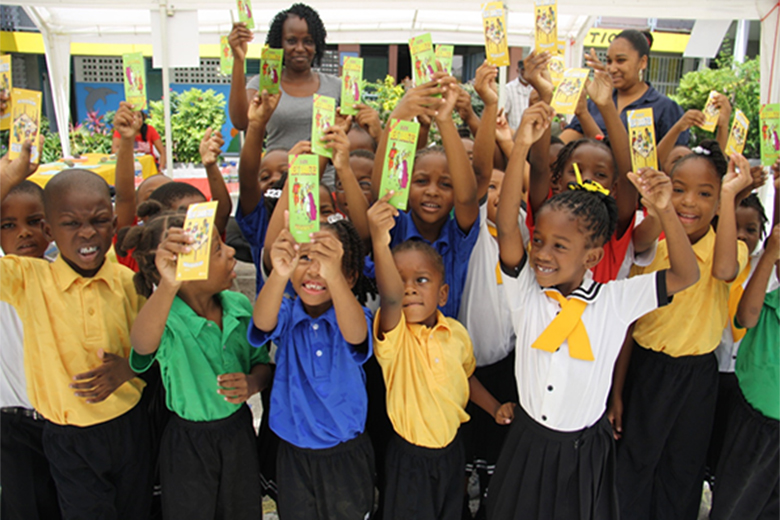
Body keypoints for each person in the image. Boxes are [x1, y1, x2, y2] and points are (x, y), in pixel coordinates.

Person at [486, 102, 699, 520]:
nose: (542, 254)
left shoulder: (615, 300)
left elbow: (684, 276)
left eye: (559, 246)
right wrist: (520, 148)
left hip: (584, 447)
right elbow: (509, 226)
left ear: (593, 256)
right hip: (528, 442)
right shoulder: (526, 292)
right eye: (541, 241)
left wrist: (664, 209)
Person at [0, 159, 152, 520]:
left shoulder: (127, 281)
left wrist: (130, 369)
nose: (87, 233)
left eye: (99, 221)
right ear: (50, 230)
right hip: (69, 438)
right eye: (71, 224)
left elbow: (155, 345)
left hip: (130, 426)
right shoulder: (29, 280)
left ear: (113, 225)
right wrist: (9, 175)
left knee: (137, 511)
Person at [614, 140, 753, 519]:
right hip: (645, 370)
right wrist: (617, 392)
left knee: (683, 466)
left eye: (705, 193)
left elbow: (725, 272)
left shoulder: (731, 247)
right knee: (635, 464)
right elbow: (629, 323)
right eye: (679, 190)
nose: (690, 201)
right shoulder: (652, 245)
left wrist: (729, 194)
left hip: (696, 376)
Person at [368, 195, 510, 520]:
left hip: (451, 452)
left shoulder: (456, 333)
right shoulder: (395, 337)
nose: (409, 289)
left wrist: (494, 407)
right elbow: (390, 298)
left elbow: (466, 377)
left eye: (421, 280)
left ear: (442, 293)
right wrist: (379, 238)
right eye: (400, 280)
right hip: (409, 458)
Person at [127, 208, 272, 520]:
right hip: (187, 444)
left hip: (238, 435)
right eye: (218, 250)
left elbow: (262, 365)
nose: (232, 251)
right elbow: (141, 347)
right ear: (189, 269)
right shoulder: (166, 320)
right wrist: (168, 284)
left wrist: (252, 383)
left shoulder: (239, 306)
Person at [249, 216, 376, 520]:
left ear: (351, 275)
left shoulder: (354, 314)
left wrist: (334, 278)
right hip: (294, 451)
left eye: (328, 259)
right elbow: (261, 323)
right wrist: (279, 274)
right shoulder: (287, 311)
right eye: (304, 257)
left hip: (345, 451)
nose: (315, 268)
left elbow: (356, 336)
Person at [370, 73, 481, 319]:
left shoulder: (458, 237)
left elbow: (467, 199)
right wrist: (397, 118)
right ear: (405, 186)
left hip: (446, 351)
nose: (432, 191)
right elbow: (381, 193)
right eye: (421, 181)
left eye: (446, 184)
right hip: (396, 351)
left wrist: (444, 121)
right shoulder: (394, 227)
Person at [0, 176, 61, 520]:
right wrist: (14, 169)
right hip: (14, 425)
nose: (24, 232)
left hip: (66, 425)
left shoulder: (66, 279)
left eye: (34, 221)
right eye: (8, 225)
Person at [709, 219, 780, 520]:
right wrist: (770, 254)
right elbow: (745, 317)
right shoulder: (768, 300)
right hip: (755, 420)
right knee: (733, 505)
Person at [228, 4, 340, 154]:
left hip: (324, 177)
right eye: (292, 41)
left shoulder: (336, 87)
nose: (300, 48)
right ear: (279, 44)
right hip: (276, 174)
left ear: (317, 45)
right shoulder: (264, 83)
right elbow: (240, 121)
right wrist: (238, 60)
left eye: (308, 41)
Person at [559, 30, 689, 146]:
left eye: (621, 61)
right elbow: (561, 146)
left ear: (643, 62)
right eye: (609, 61)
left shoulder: (665, 108)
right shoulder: (593, 104)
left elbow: (673, 160)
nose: (612, 69)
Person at [503, 59, 534, 131]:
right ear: (518, 71)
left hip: (532, 134)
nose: (525, 72)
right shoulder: (509, 88)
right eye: (523, 69)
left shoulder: (535, 88)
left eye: (528, 69)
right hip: (515, 134)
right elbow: (504, 114)